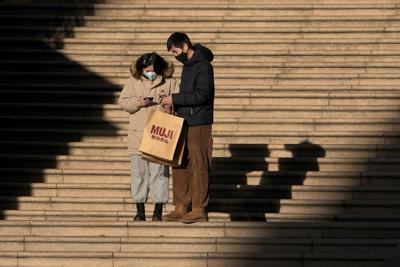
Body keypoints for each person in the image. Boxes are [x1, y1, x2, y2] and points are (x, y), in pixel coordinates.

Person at [162, 32, 215, 223]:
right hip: (183, 121)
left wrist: (175, 98)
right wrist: (173, 105)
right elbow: (188, 95)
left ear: (185, 46)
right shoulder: (187, 67)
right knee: (179, 163)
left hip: (199, 122)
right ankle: (180, 206)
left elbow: (202, 95)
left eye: (176, 51)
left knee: (199, 164)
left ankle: (199, 208)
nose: (175, 56)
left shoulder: (203, 66)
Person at [119, 52, 177, 221]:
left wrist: (169, 106)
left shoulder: (170, 81)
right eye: (146, 70)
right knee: (139, 173)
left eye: (152, 70)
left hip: (160, 134)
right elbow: (123, 102)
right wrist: (138, 101)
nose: (149, 73)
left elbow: (178, 102)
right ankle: (140, 210)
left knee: (160, 173)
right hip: (138, 134)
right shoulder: (133, 81)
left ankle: (158, 209)